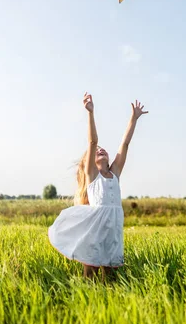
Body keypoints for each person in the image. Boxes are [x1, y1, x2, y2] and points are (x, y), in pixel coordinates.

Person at [48, 92, 148, 280]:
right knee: (91, 272)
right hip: (96, 227)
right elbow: (92, 141)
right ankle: (87, 302)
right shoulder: (92, 175)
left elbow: (125, 144)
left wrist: (133, 119)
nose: (101, 149)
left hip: (114, 227)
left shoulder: (114, 173)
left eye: (104, 149)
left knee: (111, 274)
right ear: (90, 161)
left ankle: (109, 301)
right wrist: (90, 113)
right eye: (97, 151)